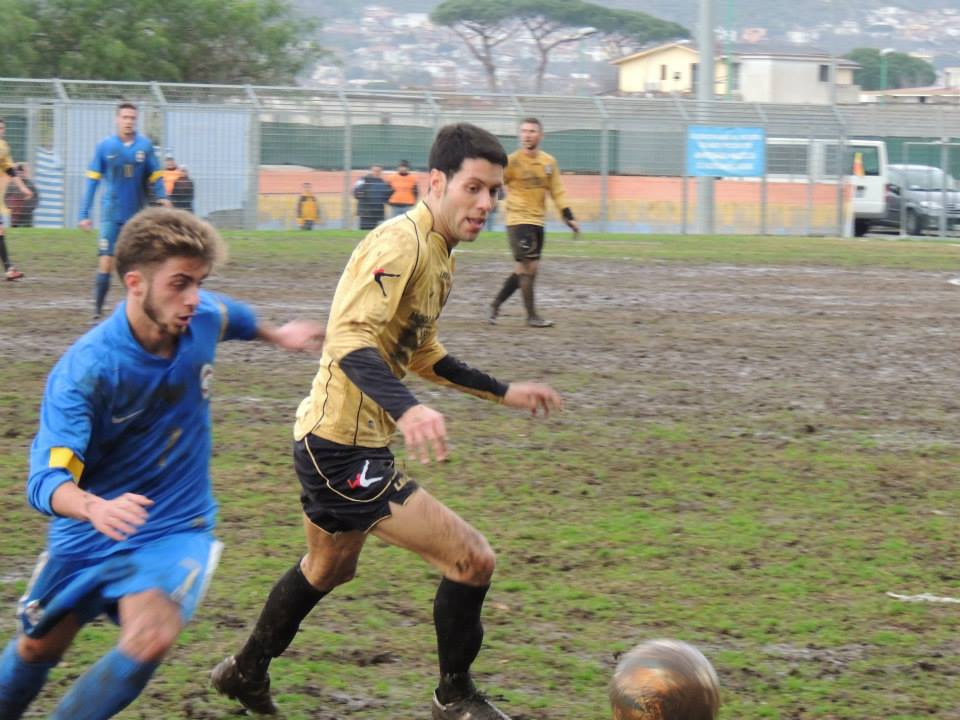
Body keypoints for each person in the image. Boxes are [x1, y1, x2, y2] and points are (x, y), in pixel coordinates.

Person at [210, 123, 563, 720]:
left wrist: (506, 393)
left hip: (335, 441)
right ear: (436, 182)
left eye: (494, 192)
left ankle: (244, 671)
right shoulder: (400, 244)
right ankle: (454, 697)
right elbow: (349, 338)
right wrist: (409, 408)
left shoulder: (439, 253)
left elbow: (422, 354)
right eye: (473, 188)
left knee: (328, 567)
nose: (486, 203)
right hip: (340, 450)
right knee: (472, 559)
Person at [0, 207, 325, 720]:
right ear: (134, 283)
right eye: (179, 284)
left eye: (199, 282)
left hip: (174, 523)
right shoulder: (87, 371)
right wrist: (94, 507)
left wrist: (278, 334)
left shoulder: (200, 316)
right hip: (88, 529)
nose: (193, 297)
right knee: (38, 648)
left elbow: (232, 316)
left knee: (150, 637)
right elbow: (46, 480)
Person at [80, 102, 169, 320]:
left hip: (136, 216)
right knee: (106, 262)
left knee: (137, 265)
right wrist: (84, 213)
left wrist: (163, 197)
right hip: (111, 214)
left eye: (132, 118)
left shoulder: (145, 146)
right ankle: (97, 311)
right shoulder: (105, 147)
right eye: (125, 117)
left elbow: (156, 176)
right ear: (117, 119)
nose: (129, 121)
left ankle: (139, 310)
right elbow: (92, 181)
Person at [489, 117, 580, 328]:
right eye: (524, 131)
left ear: (540, 135)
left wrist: (569, 216)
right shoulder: (512, 161)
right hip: (518, 219)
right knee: (529, 265)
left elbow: (557, 191)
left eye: (531, 131)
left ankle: (495, 304)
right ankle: (531, 316)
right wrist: (491, 196)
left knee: (525, 270)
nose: (527, 135)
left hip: (537, 220)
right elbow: (496, 181)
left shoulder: (548, 162)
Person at [0, 118, 34, 280]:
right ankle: (8, 268)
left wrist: (23, 188)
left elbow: (10, 170)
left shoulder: (3, 147)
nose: (1, 131)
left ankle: (9, 269)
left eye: (2, 128)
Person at [352, 165, 392, 230]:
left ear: (381, 172)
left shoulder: (383, 182)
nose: (377, 172)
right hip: (365, 212)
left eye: (379, 171)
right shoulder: (363, 180)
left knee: (374, 232)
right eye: (375, 171)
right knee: (364, 231)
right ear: (371, 171)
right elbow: (355, 192)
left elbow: (386, 196)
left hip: (377, 212)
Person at [5, 162, 39, 228]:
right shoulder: (12, 184)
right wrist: (10, 206)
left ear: (24, 173)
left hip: (27, 214)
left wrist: (30, 207)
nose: (20, 174)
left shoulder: (30, 184)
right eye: (18, 173)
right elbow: (6, 197)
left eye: (22, 172)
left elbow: (36, 198)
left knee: (27, 229)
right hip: (15, 213)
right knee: (14, 229)